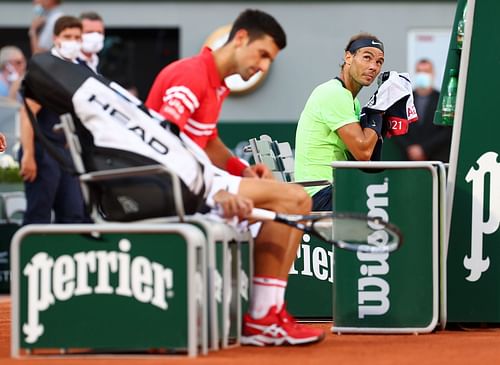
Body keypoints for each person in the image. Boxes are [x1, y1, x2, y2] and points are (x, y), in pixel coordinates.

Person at [146, 9, 324, 346]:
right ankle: (262, 317)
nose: (265, 66)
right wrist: (212, 196)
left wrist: (240, 170)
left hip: (194, 180)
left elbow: (207, 140)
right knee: (296, 198)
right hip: (173, 187)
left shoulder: (215, 83)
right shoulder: (190, 75)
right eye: (263, 54)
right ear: (241, 38)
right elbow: (161, 145)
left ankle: (268, 314)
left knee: (282, 198)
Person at [294, 33, 385, 211]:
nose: (373, 67)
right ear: (348, 57)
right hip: (319, 194)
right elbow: (363, 152)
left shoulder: (353, 101)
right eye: (367, 57)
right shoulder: (334, 93)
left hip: (331, 189)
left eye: (379, 62)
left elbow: (364, 161)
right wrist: (378, 111)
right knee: (390, 204)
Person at [20, 15, 87, 225]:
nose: (72, 41)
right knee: (39, 212)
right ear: (56, 38)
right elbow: (27, 112)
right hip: (42, 148)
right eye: (67, 36)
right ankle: (26, 256)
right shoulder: (47, 69)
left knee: (74, 214)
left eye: (77, 37)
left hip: (64, 152)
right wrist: (29, 154)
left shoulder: (78, 69)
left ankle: (68, 255)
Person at [394, 59, 452, 162]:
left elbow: (447, 130)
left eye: (426, 71)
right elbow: (397, 126)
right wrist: (410, 148)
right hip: (408, 160)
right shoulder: (404, 100)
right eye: (419, 71)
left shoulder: (442, 100)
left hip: (436, 160)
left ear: (433, 74)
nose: (423, 74)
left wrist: (424, 149)